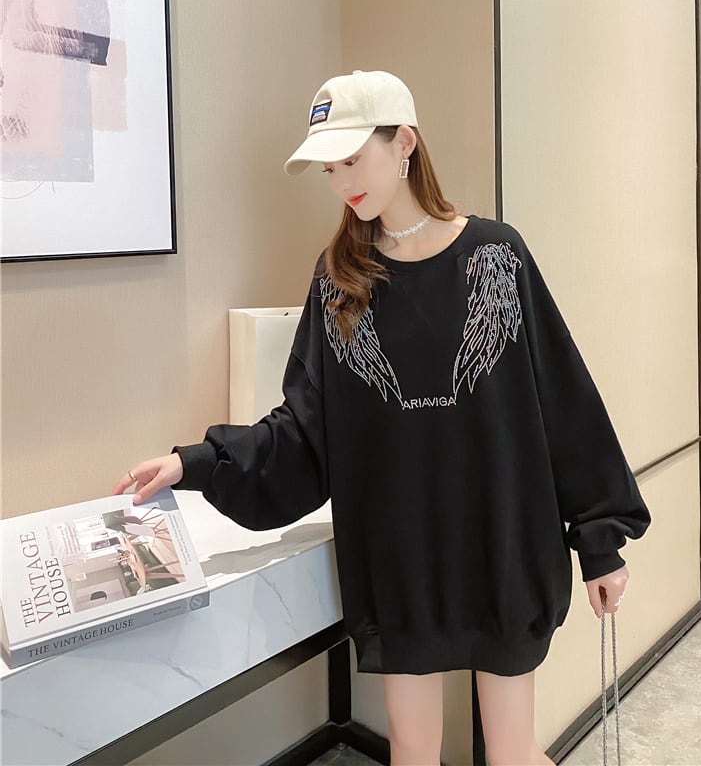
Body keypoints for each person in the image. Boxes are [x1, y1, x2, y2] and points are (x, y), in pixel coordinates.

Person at [113, 70, 651, 766]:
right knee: (414, 751)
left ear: (405, 144)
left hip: (505, 542)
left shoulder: (498, 255)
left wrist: (600, 541)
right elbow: (305, 430)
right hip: (402, 557)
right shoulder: (339, 280)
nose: (342, 183)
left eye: (351, 159)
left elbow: (564, 401)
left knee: (513, 752)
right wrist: (196, 462)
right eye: (329, 169)